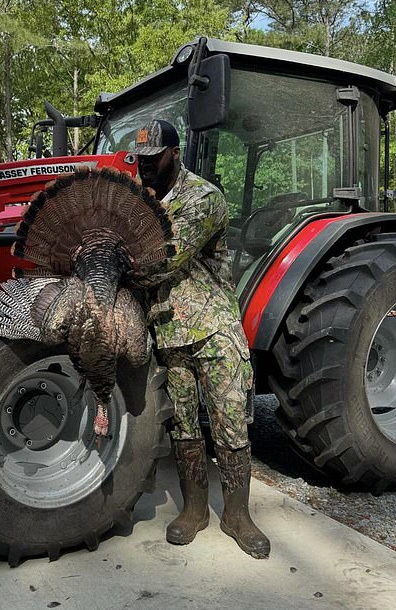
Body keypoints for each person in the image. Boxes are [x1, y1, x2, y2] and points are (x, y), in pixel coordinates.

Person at [134, 119, 270, 559]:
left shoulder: (203, 198)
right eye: (140, 160)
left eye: (154, 158)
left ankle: (238, 515)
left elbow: (164, 259)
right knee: (185, 425)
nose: (146, 167)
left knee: (231, 421)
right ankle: (195, 510)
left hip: (212, 328)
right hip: (170, 333)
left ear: (175, 153)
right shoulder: (141, 199)